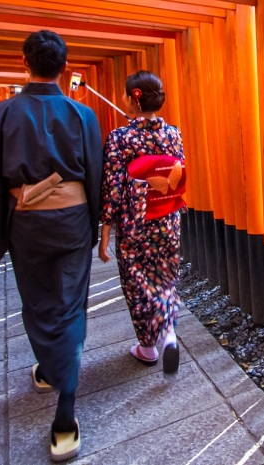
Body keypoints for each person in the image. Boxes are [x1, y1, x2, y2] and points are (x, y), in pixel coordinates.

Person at [0, 30, 102, 462]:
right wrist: (96, 226)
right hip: (72, 221)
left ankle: (58, 388)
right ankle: (61, 406)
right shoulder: (82, 115)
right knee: (69, 304)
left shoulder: (0, 114)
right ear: (65, 68)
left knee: (38, 301)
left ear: (22, 63)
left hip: (26, 221)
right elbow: (95, 175)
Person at [99, 70, 185, 374]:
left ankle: (148, 347)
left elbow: (113, 186)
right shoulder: (173, 133)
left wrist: (105, 231)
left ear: (132, 99)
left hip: (135, 221)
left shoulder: (120, 138)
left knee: (137, 282)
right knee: (164, 278)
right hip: (168, 217)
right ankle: (169, 333)